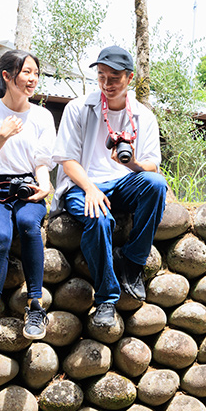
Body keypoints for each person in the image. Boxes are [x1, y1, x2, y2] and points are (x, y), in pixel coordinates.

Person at [51, 45, 167, 328]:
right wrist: (90, 188)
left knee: (155, 184)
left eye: (114, 78)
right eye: (101, 76)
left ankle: (132, 262)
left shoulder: (143, 116)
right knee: (100, 219)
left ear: (129, 78)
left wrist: (131, 163)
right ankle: (106, 299)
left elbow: (152, 165)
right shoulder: (78, 108)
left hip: (124, 182)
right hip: (83, 184)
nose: (106, 84)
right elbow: (67, 161)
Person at [0, 49, 56, 354]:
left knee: (30, 224)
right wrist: (1, 136)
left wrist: (45, 184)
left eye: (35, 73)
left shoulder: (41, 115)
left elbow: (41, 161)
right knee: (0, 236)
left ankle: (35, 306)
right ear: (7, 76)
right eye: (26, 72)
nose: (33, 79)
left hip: (29, 184)